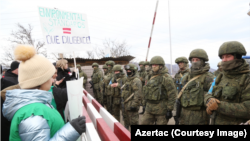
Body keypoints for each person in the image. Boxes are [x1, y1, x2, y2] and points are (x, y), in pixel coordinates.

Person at [2, 45, 85, 140]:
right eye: (50, 76)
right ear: (41, 80)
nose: (53, 80)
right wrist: (71, 130)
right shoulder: (33, 114)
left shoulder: (37, 105)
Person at [205, 41, 250, 125]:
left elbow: (247, 108)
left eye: (228, 56)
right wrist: (209, 101)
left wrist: (218, 106)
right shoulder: (220, 76)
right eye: (222, 57)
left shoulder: (247, 78)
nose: (224, 60)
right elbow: (209, 93)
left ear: (238, 57)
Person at [177, 49, 214, 125]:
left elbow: (212, 98)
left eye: (197, 60)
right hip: (184, 115)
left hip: (200, 116)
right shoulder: (186, 77)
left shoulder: (208, 77)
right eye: (193, 60)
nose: (194, 62)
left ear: (203, 61)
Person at [140, 56, 176, 125]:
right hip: (149, 109)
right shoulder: (149, 76)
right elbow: (145, 91)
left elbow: (172, 94)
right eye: (152, 65)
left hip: (161, 110)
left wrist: (169, 109)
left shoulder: (166, 78)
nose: (153, 66)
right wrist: (144, 104)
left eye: (155, 65)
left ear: (161, 66)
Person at [122, 63, 142, 128]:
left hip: (132, 105)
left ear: (133, 71)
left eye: (129, 70)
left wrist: (134, 105)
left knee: (134, 122)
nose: (128, 72)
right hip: (126, 104)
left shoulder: (136, 80)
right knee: (126, 122)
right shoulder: (127, 79)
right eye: (127, 70)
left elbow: (138, 94)